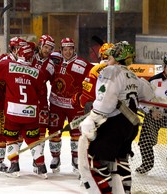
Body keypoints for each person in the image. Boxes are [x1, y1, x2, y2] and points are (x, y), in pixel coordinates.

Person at [78, 41, 156, 193]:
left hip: (115, 125)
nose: (108, 58)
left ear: (117, 57)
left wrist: (91, 119)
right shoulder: (133, 76)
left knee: (94, 160)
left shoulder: (110, 71)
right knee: (120, 159)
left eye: (111, 56)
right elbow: (150, 95)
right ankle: (125, 191)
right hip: (130, 126)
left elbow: (105, 103)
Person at [0, 45, 48, 178]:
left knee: (11, 138)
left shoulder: (8, 65)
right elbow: (40, 90)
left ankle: (14, 165)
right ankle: (41, 167)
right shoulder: (38, 72)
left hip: (13, 112)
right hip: (31, 112)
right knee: (33, 139)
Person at [0, 36, 28, 173]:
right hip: (0, 102)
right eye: (19, 48)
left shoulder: (18, 61)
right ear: (13, 49)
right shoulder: (6, 62)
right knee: (1, 131)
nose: (22, 51)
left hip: (10, 102)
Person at [48, 37, 93, 173]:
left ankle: (75, 158)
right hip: (56, 104)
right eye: (65, 49)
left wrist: (84, 97)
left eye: (70, 49)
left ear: (74, 49)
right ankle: (55, 157)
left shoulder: (83, 64)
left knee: (76, 133)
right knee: (54, 132)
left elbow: (93, 78)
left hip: (74, 105)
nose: (68, 52)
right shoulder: (55, 60)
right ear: (61, 50)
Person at [31, 34, 56, 159]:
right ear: (40, 45)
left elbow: (55, 83)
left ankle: (38, 159)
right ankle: (14, 161)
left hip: (41, 100)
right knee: (19, 129)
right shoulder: (29, 57)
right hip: (25, 100)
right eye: (46, 47)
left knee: (41, 130)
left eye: (50, 49)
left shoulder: (51, 65)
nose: (48, 50)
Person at [71, 42, 115, 111]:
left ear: (101, 55)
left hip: (99, 110)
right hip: (117, 110)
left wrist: (77, 99)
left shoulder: (96, 69)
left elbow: (87, 95)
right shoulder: (121, 69)